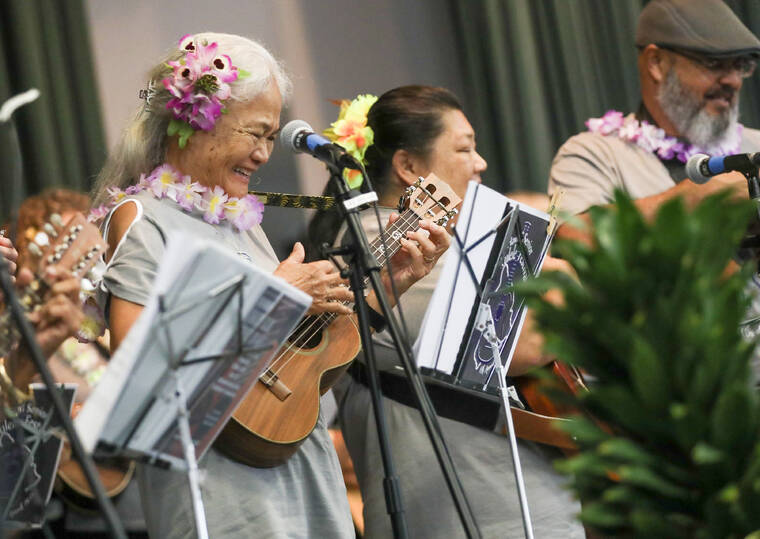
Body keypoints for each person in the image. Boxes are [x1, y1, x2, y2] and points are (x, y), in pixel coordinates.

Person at [90, 33, 449, 538]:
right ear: (197, 121)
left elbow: (299, 368)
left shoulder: (242, 221)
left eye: (272, 137)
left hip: (305, 478)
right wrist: (277, 295)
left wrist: (390, 285)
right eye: (255, 133)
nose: (263, 154)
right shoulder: (143, 219)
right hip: (222, 502)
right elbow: (137, 376)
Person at [309, 86, 583, 538]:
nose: (481, 163)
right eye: (464, 148)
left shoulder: (442, 236)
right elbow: (523, 344)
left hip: (507, 505)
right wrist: (564, 276)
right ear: (408, 166)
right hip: (472, 516)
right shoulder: (388, 242)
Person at [550, 0, 760, 241]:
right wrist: (696, 200)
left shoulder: (756, 145)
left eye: (740, 66)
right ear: (656, 63)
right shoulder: (593, 156)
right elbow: (571, 236)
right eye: (713, 63)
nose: (733, 81)